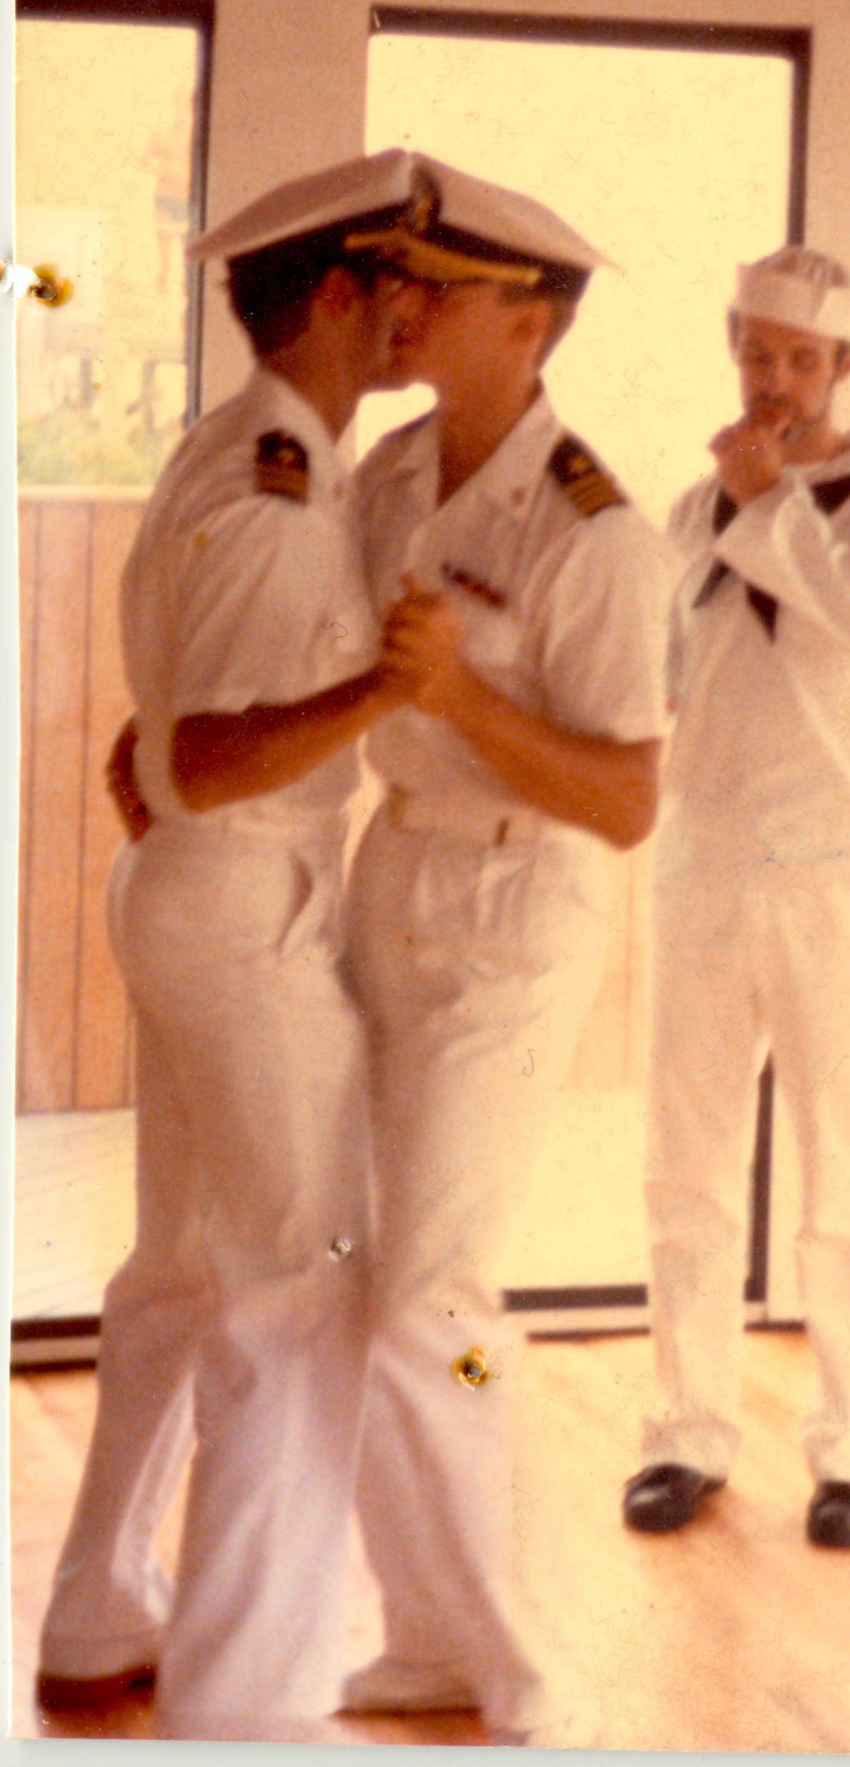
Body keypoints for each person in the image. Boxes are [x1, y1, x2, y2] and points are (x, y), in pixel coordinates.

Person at [35, 151, 428, 1739]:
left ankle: (96, 1620)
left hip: (196, 900)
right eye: (399, 279)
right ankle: (242, 1703)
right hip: (241, 899)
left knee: (185, 1282)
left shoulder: (252, 453)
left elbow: (167, 730)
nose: (417, 309)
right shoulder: (278, 477)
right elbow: (209, 751)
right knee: (299, 1297)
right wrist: (389, 690)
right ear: (338, 294)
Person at [332, 157, 667, 1740]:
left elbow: (626, 798)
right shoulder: (391, 473)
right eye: (402, 282)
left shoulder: (599, 529)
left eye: (441, 290)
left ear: (528, 323)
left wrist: (464, 699)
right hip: (389, 878)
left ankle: (516, 1651)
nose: (406, 308)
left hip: (518, 912)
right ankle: (428, 1636)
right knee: (376, 1285)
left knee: (435, 1302)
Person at [626, 247, 850, 1552]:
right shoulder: (692, 507)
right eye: (757, 353)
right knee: (686, 1171)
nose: (774, 380)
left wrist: (775, 505)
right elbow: (664, 671)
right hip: (706, 862)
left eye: (801, 361)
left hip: (836, 875)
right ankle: (687, 1436)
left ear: (845, 368)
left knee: (847, 1173)